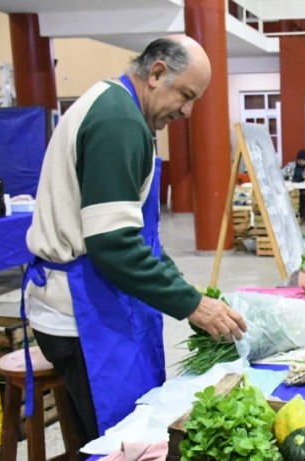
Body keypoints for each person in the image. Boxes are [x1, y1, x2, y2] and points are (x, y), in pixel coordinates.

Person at [24, 35, 248, 449]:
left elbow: (135, 234)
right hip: (84, 315)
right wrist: (193, 305)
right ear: (157, 72)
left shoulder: (115, 106)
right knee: (122, 443)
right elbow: (115, 244)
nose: (187, 110)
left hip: (94, 302)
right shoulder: (119, 121)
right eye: (185, 94)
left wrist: (184, 287)